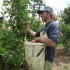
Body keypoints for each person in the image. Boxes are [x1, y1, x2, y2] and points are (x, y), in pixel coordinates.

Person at [23, 6, 60, 70]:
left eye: (42, 13)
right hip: (41, 57)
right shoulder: (45, 27)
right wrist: (28, 29)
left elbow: (54, 43)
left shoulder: (53, 25)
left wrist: (40, 39)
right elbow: (36, 35)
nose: (41, 15)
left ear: (49, 13)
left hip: (47, 59)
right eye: (40, 13)